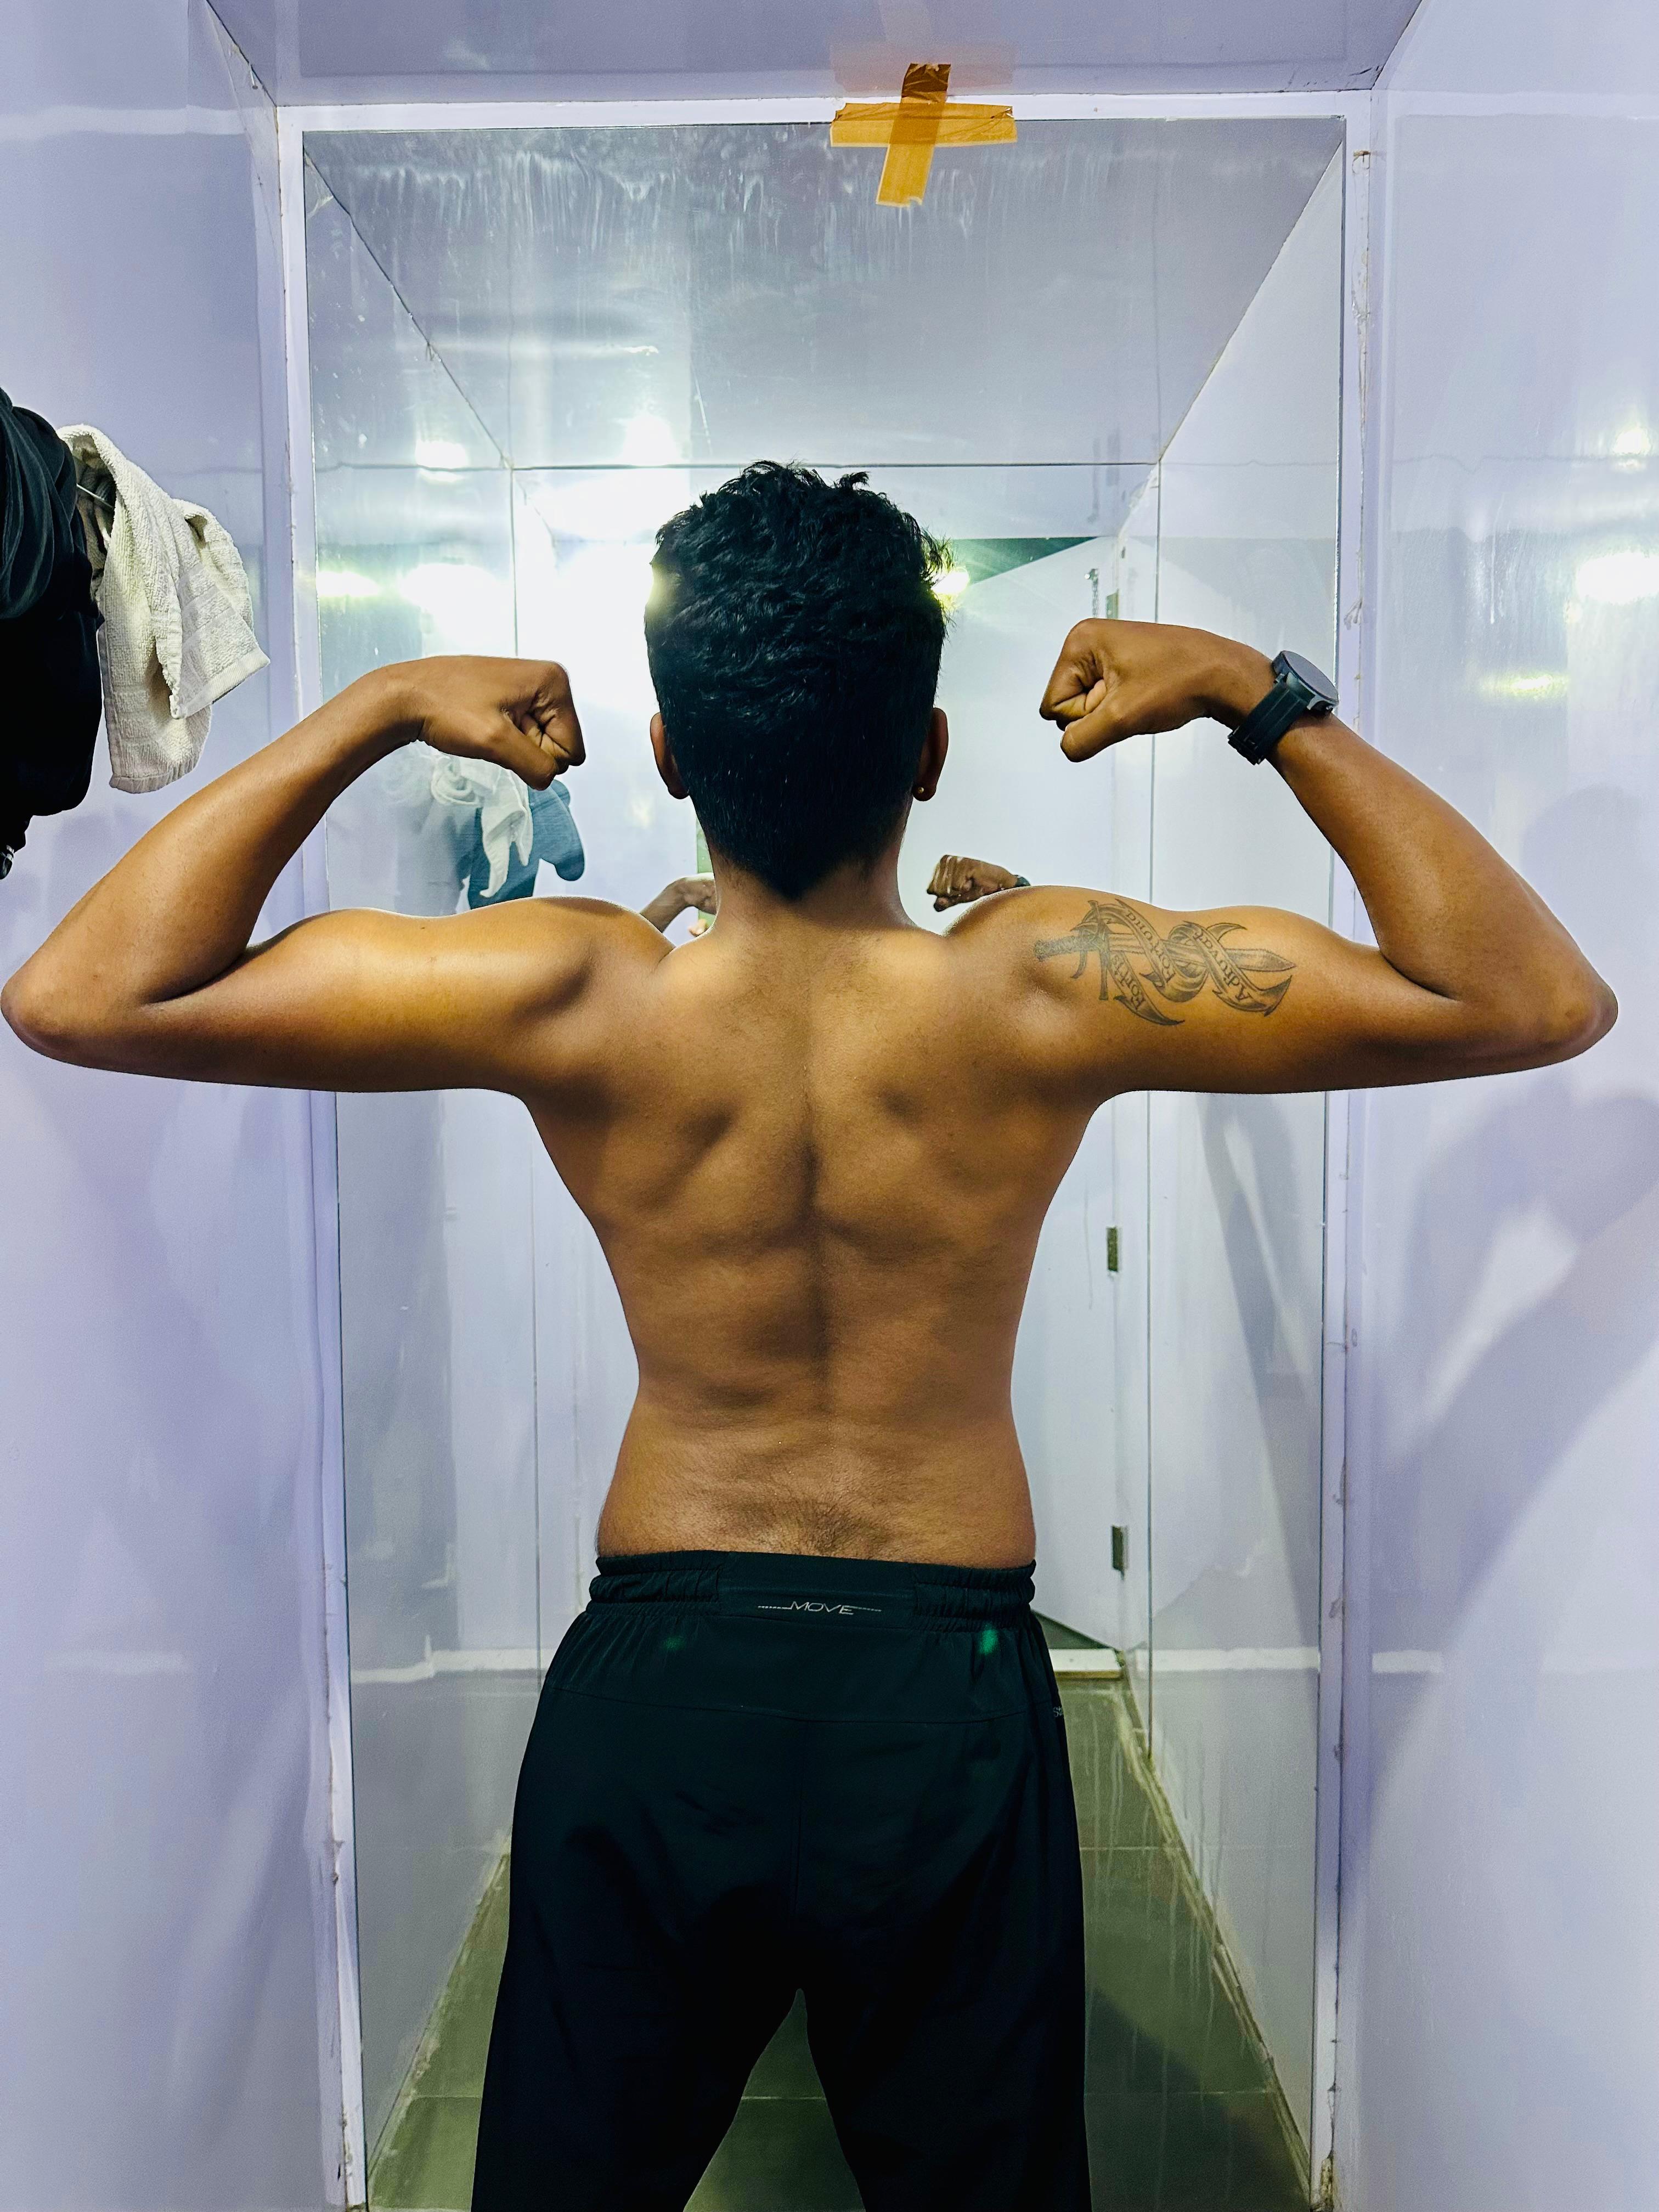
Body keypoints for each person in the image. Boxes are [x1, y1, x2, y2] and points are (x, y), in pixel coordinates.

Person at [3, 462, 1614, 2210]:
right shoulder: (1038, 981)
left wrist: (381, 708)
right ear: (927, 755)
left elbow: (82, 990)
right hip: (946, 1695)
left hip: (662, 1690)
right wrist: (1251, 690)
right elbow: (1529, 995)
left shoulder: (574, 985)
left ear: (670, 754)